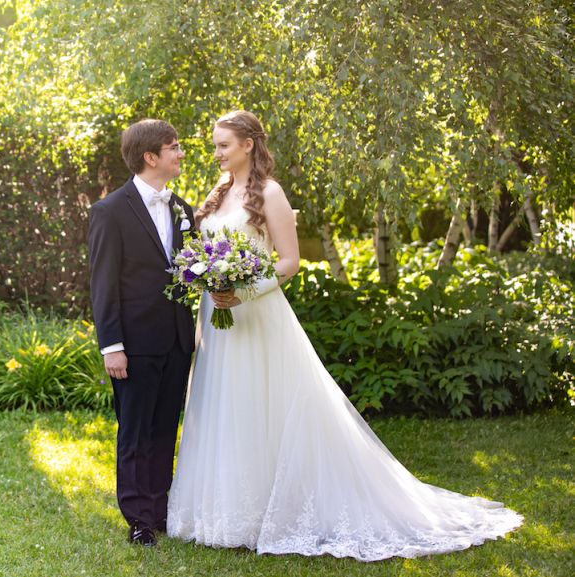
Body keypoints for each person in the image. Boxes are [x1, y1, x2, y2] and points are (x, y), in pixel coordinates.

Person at [165, 110, 522, 561]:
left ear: (248, 145)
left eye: (223, 145)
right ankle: (223, 512)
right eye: (215, 145)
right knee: (225, 407)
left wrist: (244, 289)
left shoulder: (270, 194)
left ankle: (269, 512)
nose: (216, 153)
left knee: (262, 407)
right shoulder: (217, 195)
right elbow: (206, 250)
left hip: (257, 315)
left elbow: (290, 261)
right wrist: (211, 282)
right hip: (219, 322)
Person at [88, 119, 196, 547]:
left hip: (175, 339)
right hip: (132, 344)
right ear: (151, 157)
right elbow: (103, 284)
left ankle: (159, 507)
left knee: (165, 428)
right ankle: (137, 518)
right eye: (174, 147)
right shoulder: (109, 211)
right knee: (134, 431)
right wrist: (111, 346)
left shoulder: (182, 209)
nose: (180, 153)